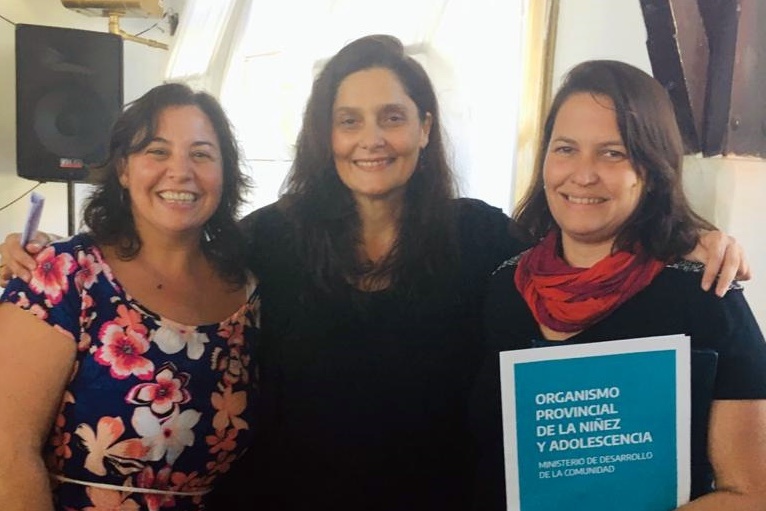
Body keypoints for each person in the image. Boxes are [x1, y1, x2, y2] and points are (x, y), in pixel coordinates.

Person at [0, 36, 751, 511]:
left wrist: (694, 233)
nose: (372, 138)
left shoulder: (482, 236)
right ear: (324, 134)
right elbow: (167, 251)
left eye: (393, 116)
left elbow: (584, 227)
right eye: (349, 119)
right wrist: (38, 257)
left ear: (424, 127)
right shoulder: (270, 239)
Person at [470, 60, 766, 510]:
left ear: (652, 170)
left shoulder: (707, 295)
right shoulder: (504, 288)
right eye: (565, 149)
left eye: (613, 153)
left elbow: (752, 493)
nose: (583, 174)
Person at [0, 82, 260, 511]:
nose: (180, 171)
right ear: (123, 169)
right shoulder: (64, 276)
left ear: (225, 175)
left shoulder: (249, 294)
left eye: (201, 154)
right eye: (157, 151)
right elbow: (8, 452)